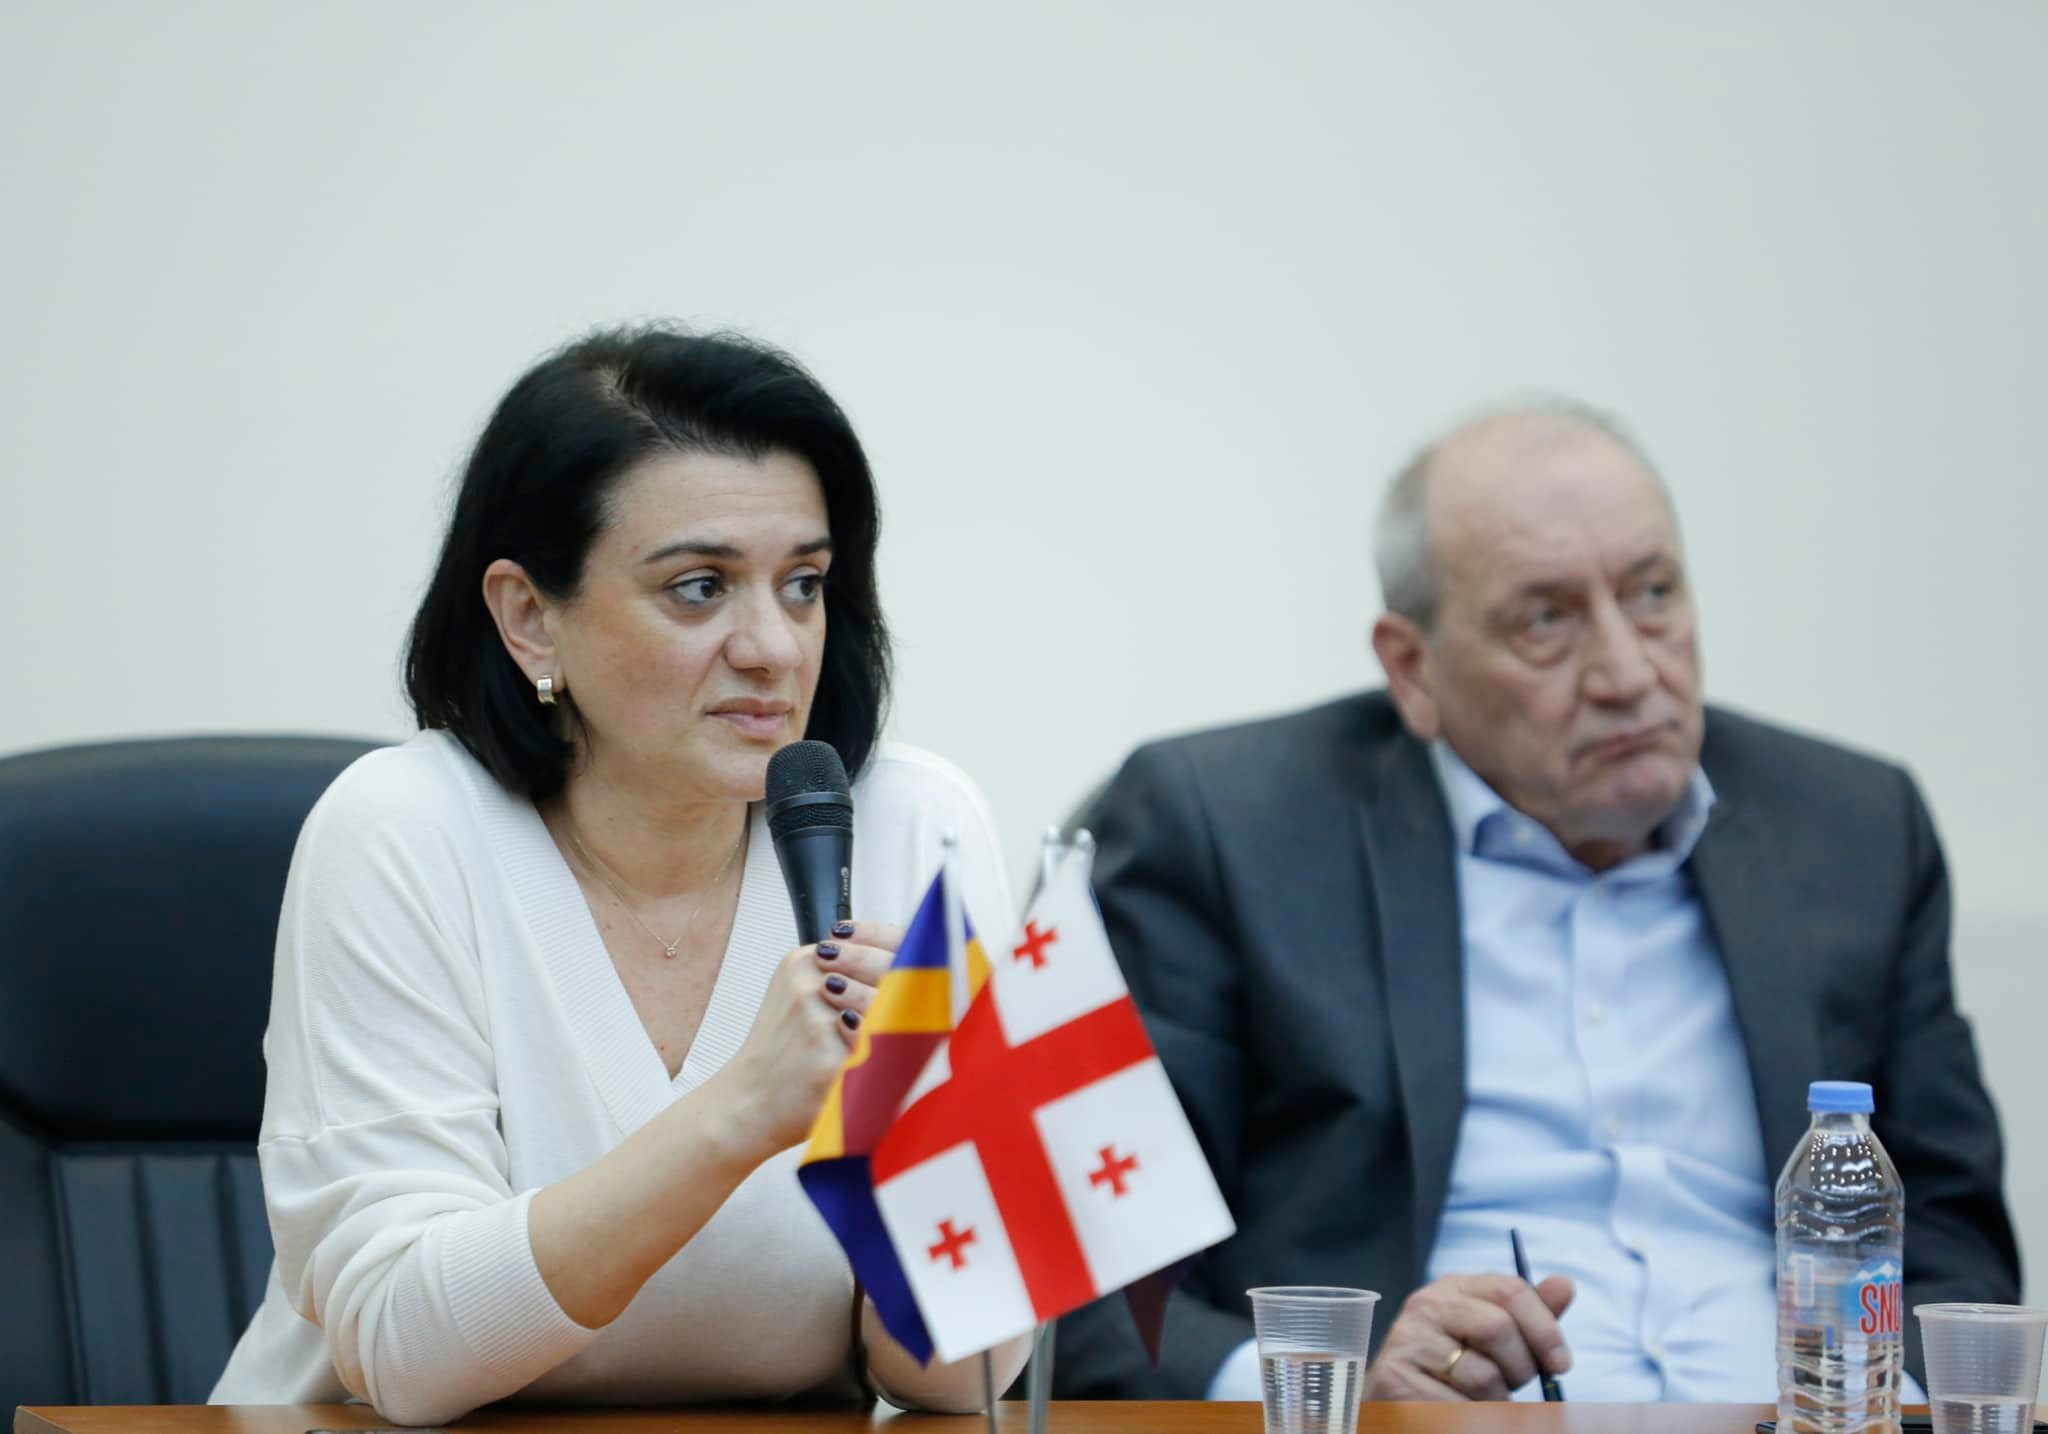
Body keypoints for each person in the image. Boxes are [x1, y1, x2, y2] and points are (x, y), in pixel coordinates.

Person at [1051, 400, 2019, 1404]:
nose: (1627, 672)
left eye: (1652, 594)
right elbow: (1094, 1273)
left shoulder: (1854, 828)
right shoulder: (1229, 830)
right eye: (1545, 620)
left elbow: (1951, 1241)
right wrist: (1336, 1389)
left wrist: (1886, 1407)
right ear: (1412, 669)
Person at [211, 326, 1030, 1423]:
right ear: (529, 618)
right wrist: (741, 1112)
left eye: (803, 584)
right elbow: (404, 1353)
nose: (775, 647)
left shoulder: (915, 825)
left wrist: (917, 1143)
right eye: (698, 588)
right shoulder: (405, 830)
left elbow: (960, 1379)